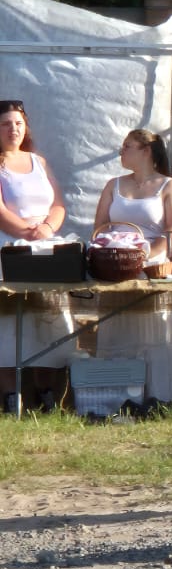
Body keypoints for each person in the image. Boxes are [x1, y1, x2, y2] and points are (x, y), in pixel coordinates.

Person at [91, 129, 172, 405]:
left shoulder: (169, 186)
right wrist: (112, 250)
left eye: (127, 146)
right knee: (118, 329)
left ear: (146, 151)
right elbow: (99, 226)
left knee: (152, 331)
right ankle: (114, 398)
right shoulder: (113, 185)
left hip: (151, 266)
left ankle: (158, 397)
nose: (121, 152)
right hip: (116, 265)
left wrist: (144, 254)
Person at [0, 99, 73, 411]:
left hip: (45, 246)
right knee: (8, 325)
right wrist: (26, 231)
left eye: (18, 123)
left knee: (48, 320)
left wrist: (47, 228)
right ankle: (10, 397)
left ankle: (47, 394)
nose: (13, 129)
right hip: (10, 249)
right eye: (6, 124)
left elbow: (58, 204)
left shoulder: (39, 162)